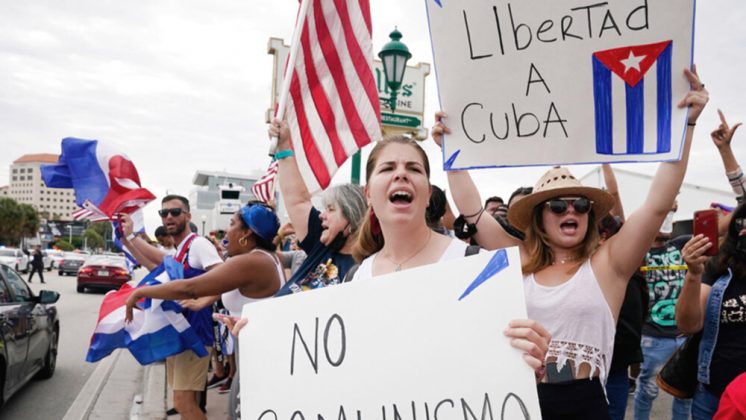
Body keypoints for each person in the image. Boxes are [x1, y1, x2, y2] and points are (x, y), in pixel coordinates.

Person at [433, 66, 708, 419]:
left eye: (580, 205)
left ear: (590, 216)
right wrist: (451, 153)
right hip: (519, 402)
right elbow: (472, 212)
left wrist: (686, 127)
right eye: (557, 205)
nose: (571, 211)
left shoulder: (609, 264)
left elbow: (657, 204)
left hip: (583, 403)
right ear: (539, 218)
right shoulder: (518, 259)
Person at [348, 135, 550, 382]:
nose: (400, 174)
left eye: (413, 168)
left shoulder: (475, 266)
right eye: (388, 168)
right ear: (368, 194)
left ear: (428, 194)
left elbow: (505, 371)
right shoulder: (355, 279)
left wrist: (530, 366)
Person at [125, 201, 285, 420]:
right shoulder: (266, 258)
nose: (227, 230)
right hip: (252, 351)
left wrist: (140, 293)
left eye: (232, 223)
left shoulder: (251, 261)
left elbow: (190, 287)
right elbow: (213, 283)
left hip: (259, 355)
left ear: (246, 232)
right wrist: (203, 302)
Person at [121, 195, 223, 420]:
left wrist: (203, 301)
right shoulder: (180, 249)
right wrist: (128, 238)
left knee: (183, 403)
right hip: (179, 334)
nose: (169, 217)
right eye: (163, 213)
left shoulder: (198, 244)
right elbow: (154, 267)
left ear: (188, 216)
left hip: (194, 334)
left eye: (175, 212)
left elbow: (225, 277)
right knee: (187, 403)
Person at [269, 119, 368, 294]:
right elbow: (297, 200)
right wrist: (284, 146)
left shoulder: (368, 270)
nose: (322, 215)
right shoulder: (322, 244)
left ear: (353, 220)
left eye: (331, 209)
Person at [676, 205, 746, 419]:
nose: (743, 230)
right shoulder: (721, 268)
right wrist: (694, 274)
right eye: (741, 223)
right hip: (714, 395)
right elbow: (688, 325)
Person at [633, 202, 693, 420]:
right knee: (647, 392)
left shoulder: (681, 246)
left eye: (671, 215)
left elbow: (720, 231)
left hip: (685, 336)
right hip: (653, 337)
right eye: (663, 214)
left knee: (685, 394)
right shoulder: (639, 254)